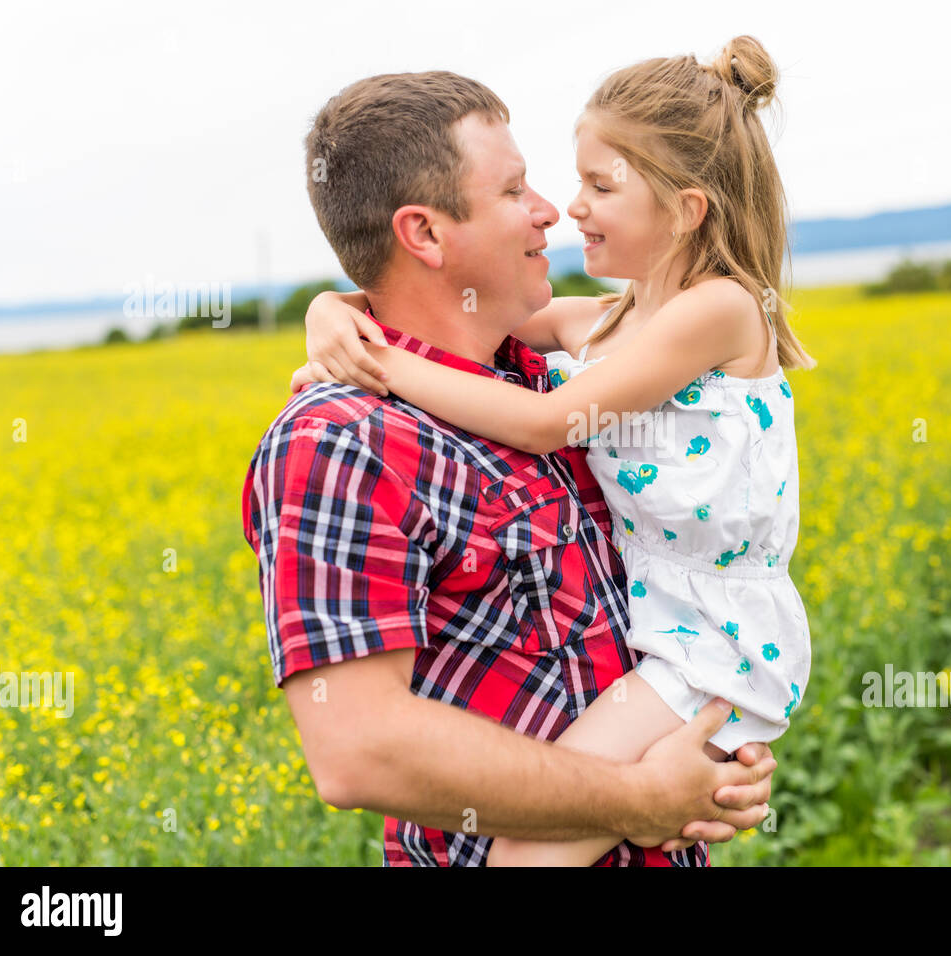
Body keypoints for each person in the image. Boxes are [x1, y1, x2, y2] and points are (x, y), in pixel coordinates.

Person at [291, 37, 813, 866]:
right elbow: (358, 749)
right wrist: (331, 308)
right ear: (423, 231)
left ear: (684, 211)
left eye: (598, 185)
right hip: (674, 643)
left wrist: (378, 355)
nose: (558, 209)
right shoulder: (355, 437)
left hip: (710, 639)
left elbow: (542, 422)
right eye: (517, 188)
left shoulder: (687, 322)